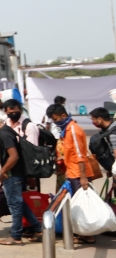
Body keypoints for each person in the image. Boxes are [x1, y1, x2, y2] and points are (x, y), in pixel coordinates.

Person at [0, 101, 42, 245]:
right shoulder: (6, 125)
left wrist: (30, 177)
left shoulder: (28, 126)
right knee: (20, 202)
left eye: (15, 109)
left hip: (21, 171)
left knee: (15, 204)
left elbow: (31, 153)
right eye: (9, 110)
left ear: (20, 109)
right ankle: (37, 229)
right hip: (14, 170)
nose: (12, 112)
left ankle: (16, 235)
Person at [50, 104, 95, 244]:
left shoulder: (73, 130)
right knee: (77, 204)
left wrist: (82, 177)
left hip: (78, 174)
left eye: (56, 119)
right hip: (72, 172)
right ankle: (83, 233)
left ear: (64, 116)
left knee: (82, 205)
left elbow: (80, 155)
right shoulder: (67, 130)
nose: (55, 122)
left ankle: (88, 235)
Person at [89, 107, 115, 177]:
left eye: (93, 119)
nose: (93, 122)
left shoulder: (113, 133)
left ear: (100, 119)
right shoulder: (107, 130)